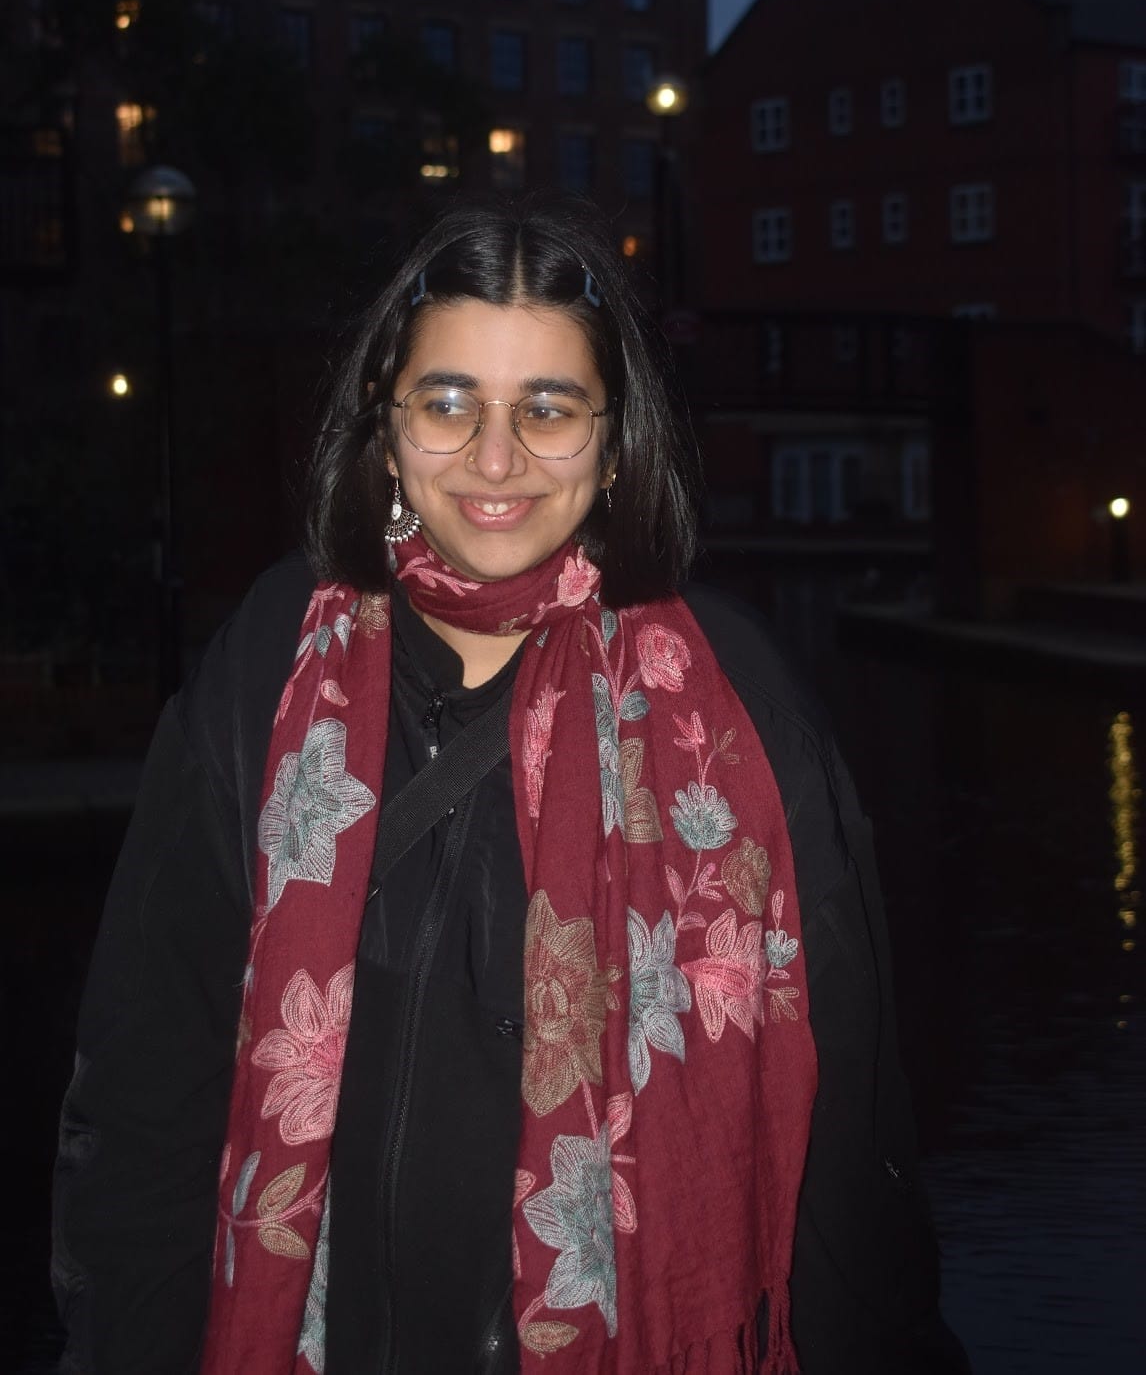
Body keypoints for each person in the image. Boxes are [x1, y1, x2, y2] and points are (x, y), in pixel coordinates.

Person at [53, 198, 968, 1375]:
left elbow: (851, 1142)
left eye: (548, 407)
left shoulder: (741, 703)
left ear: (615, 436)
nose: (496, 459)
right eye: (448, 403)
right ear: (384, 430)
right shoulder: (267, 668)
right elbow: (143, 1093)